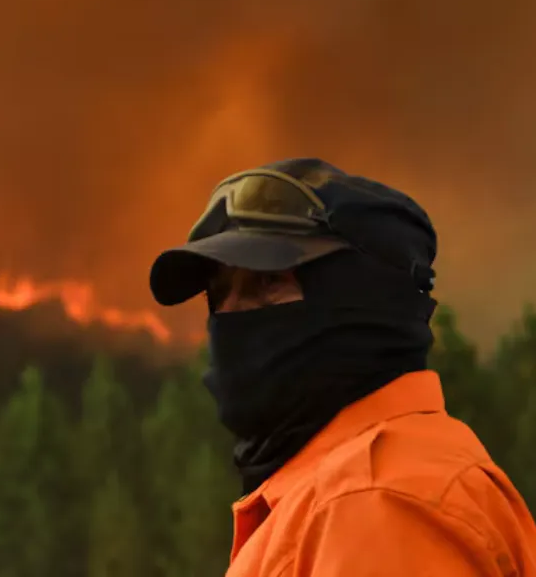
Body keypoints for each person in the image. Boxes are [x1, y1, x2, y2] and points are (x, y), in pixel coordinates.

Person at [148, 158, 536, 576]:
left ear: (363, 297)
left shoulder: (376, 502)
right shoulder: (345, 492)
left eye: (268, 282)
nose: (228, 317)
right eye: (217, 295)